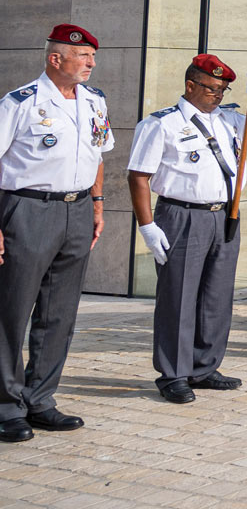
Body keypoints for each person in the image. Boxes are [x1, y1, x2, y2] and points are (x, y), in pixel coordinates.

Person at [128, 54, 247, 405]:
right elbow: (138, 176)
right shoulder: (161, 124)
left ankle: (204, 366)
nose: (217, 95)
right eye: (211, 88)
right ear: (190, 85)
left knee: (216, 296)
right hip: (181, 216)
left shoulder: (229, 120)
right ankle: (174, 374)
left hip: (224, 215)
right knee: (179, 297)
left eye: (223, 90)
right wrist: (147, 225)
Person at [0, 25, 112, 441]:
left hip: (78, 210)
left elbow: (99, 152)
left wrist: (98, 204)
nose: (91, 64)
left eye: (92, 58)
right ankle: (5, 406)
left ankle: (40, 400)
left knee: (59, 313)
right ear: (55, 59)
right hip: (28, 210)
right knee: (12, 311)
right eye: (83, 57)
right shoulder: (21, 103)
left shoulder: (95, 101)